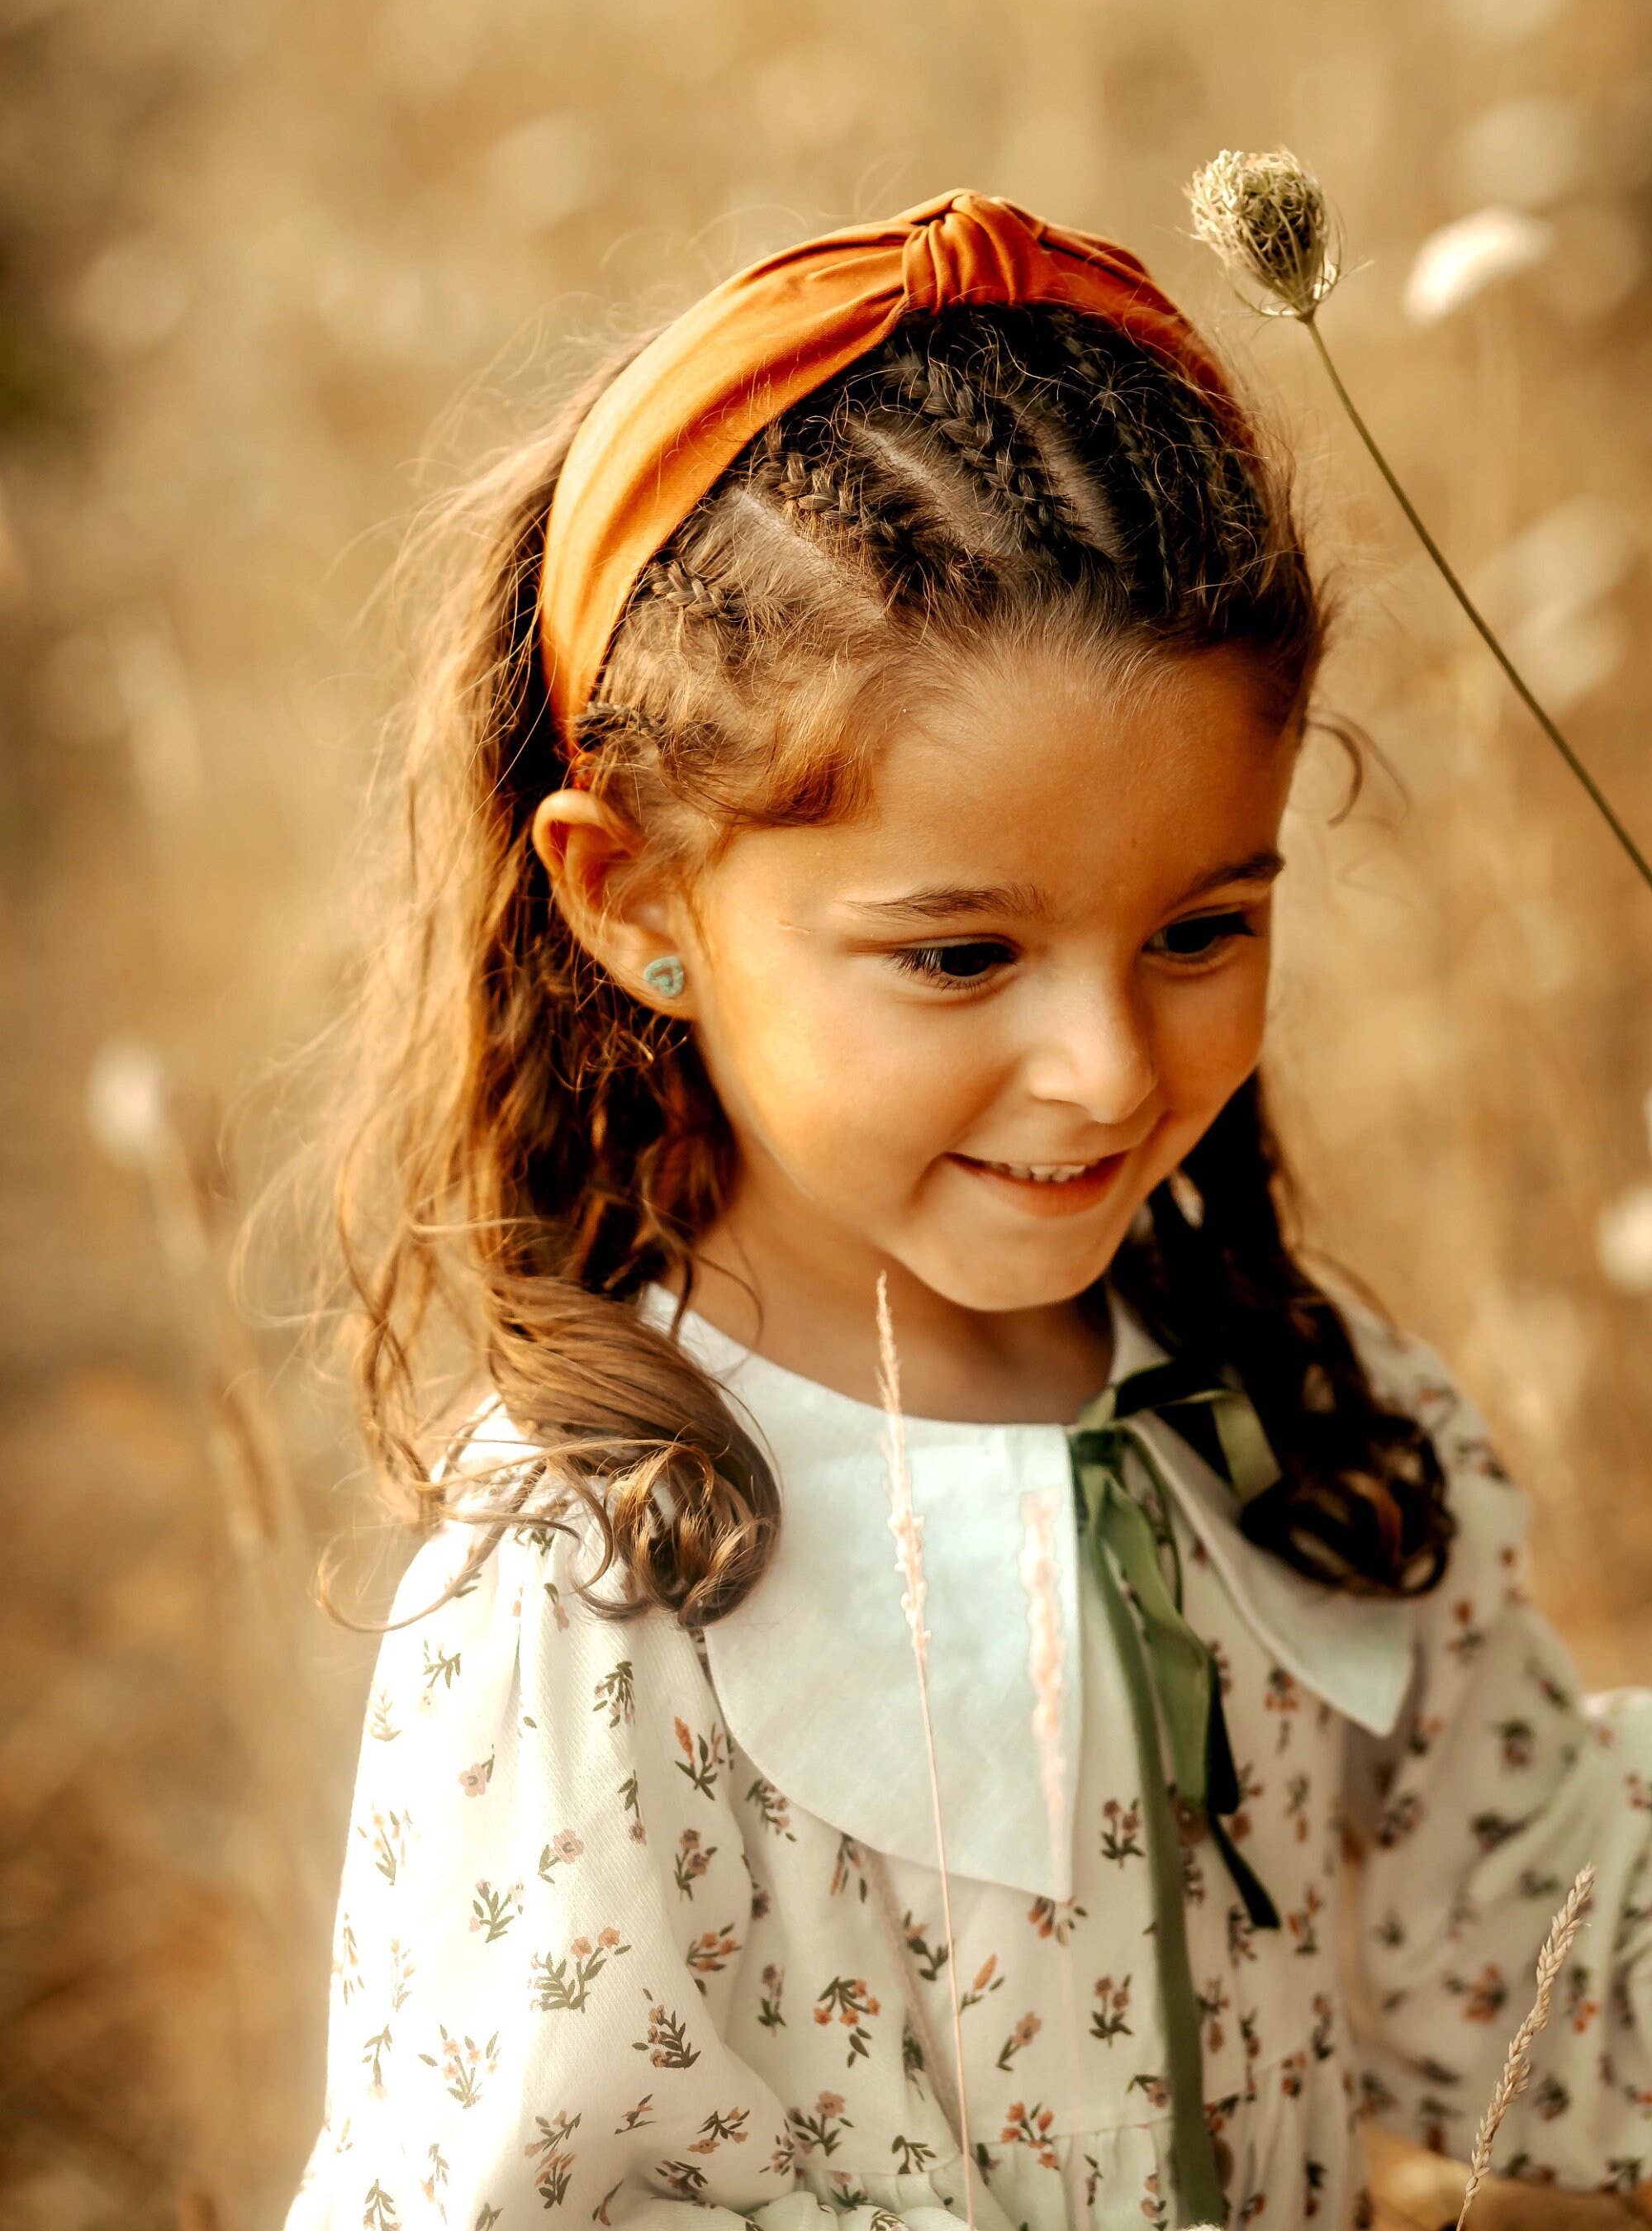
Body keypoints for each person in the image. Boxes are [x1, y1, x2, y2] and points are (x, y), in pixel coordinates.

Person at [282, 192, 1652, 2231]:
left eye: (1198, 927)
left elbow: (1545, 1982)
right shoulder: (593, 1583)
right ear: (633, 898)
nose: (1105, 1069)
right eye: (956, 958)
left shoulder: (1290, 1425)